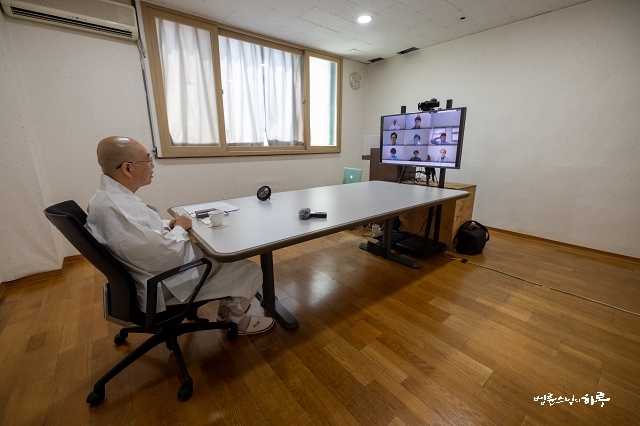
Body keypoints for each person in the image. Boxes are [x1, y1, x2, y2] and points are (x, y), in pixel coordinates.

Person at [86, 136, 275, 335]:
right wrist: (180, 228)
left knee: (219, 256)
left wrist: (170, 225)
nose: (152, 165)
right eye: (148, 159)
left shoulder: (106, 199)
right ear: (128, 168)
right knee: (249, 270)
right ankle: (238, 323)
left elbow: (143, 232)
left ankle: (226, 316)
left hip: (150, 274)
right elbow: (165, 256)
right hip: (163, 283)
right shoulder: (115, 209)